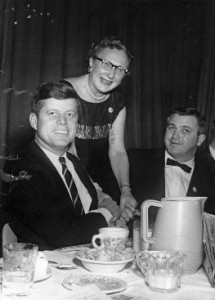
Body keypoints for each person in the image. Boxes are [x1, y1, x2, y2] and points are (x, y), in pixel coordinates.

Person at [6, 81, 124, 250]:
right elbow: (63, 235)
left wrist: (111, 219)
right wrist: (107, 213)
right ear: (34, 120)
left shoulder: (72, 161)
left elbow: (87, 211)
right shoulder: (22, 167)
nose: (62, 122)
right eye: (53, 113)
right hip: (47, 268)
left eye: (70, 115)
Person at [61, 36, 137, 222]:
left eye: (120, 69)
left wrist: (125, 190)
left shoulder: (117, 102)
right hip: (66, 178)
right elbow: (67, 153)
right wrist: (97, 193)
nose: (111, 74)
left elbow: (117, 151)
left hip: (101, 179)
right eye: (107, 64)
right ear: (91, 62)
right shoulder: (65, 92)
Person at [128, 107, 215, 220]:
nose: (174, 135)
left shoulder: (210, 176)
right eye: (171, 128)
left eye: (185, 130)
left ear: (200, 140)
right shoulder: (135, 159)